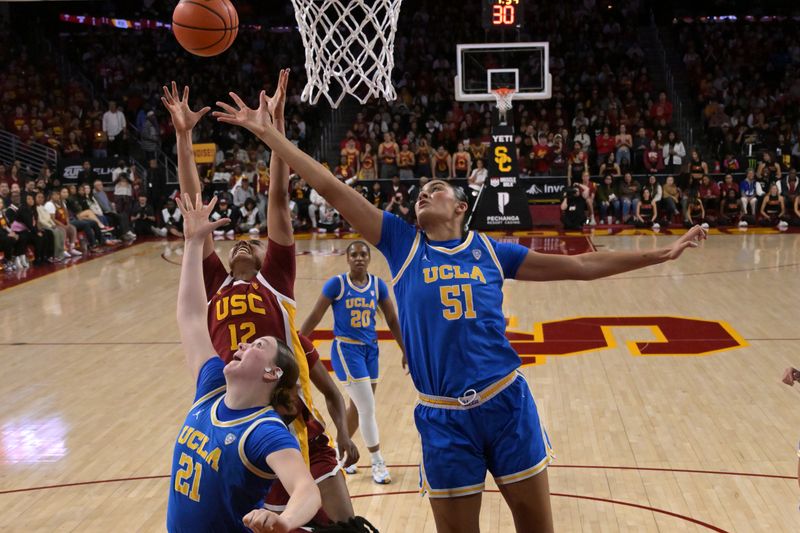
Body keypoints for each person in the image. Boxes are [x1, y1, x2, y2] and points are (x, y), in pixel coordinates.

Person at [214, 90, 708, 533]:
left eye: (436, 189)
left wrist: (659, 253)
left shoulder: (494, 252)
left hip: (507, 404)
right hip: (444, 417)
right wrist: (270, 135)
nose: (423, 194)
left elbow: (580, 264)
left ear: (460, 208)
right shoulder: (402, 243)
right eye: (419, 192)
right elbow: (327, 184)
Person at [163, 73, 358, 522]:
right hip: (233, 411)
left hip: (287, 413)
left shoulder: (275, 279)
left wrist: (277, 129)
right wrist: (184, 136)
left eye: (254, 242)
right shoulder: (215, 284)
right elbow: (195, 209)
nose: (246, 243)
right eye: (238, 243)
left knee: (343, 524)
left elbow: (278, 198)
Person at [166, 194, 321, 533]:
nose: (245, 344)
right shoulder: (210, 388)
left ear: (272, 372)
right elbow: (191, 316)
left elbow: (306, 488)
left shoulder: (264, 430)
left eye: (258, 344)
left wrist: (285, 519)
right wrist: (193, 242)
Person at [299, 241, 405, 485]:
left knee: (358, 408)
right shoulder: (337, 284)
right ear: (347, 259)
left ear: (369, 258)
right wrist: (296, 345)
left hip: (371, 352)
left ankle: (339, 453)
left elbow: (391, 318)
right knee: (367, 408)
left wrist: (404, 350)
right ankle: (377, 461)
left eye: (363, 254)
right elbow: (315, 316)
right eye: (354, 254)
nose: (359, 258)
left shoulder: (377, 285)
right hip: (346, 351)